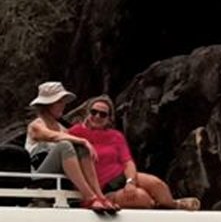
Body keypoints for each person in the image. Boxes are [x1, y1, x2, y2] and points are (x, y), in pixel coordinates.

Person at [70, 95, 201, 210]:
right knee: (141, 197)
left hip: (120, 176)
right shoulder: (76, 132)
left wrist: (130, 182)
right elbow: (56, 137)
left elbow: (127, 162)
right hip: (102, 187)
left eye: (103, 114)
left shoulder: (116, 136)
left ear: (109, 119)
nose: (97, 116)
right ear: (88, 113)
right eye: (94, 112)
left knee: (157, 185)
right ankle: (157, 205)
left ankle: (172, 205)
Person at [25, 81, 118, 214]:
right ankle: (89, 197)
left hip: (60, 177)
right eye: (59, 102)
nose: (63, 105)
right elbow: (52, 136)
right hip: (40, 178)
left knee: (80, 147)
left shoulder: (63, 129)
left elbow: (72, 141)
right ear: (47, 105)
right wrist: (83, 140)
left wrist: (84, 143)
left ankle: (100, 196)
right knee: (65, 146)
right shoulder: (36, 126)